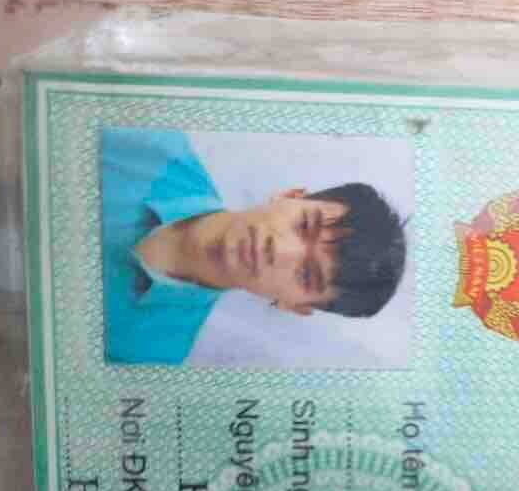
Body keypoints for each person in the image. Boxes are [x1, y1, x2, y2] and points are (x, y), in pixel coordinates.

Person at [100, 127, 407, 365]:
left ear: (293, 306)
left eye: (305, 276)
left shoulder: (150, 355)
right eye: (304, 225)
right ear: (289, 196)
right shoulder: (146, 142)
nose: (279, 250)